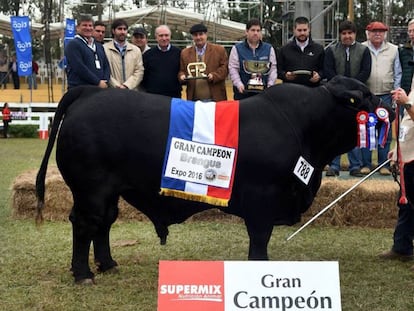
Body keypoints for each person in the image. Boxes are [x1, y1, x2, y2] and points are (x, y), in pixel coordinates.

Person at [324, 20, 372, 177]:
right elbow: (328, 71)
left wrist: (352, 87)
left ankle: (355, 166)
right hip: (335, 97)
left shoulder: (364, 51)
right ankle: (334, 165)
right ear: (340, 35)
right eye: (344, 33)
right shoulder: (331, 50)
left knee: (354, 131)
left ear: (355, 34)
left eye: (350, 33)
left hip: (357, 97)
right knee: (335, 131)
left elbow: (365, 72)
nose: (347, 36)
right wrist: (340, 88)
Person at [360, 21, 402, 176]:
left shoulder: (394, 50)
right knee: (366, 130)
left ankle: (383, 164)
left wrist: (395, 93)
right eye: (374, 31)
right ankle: (366, 164)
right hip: (368, 94)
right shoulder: (361, 48)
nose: (377, 34)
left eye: (381, 31)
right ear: (367, 33)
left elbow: (397, 72)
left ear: (385, 34)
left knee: (385, 130)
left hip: (386, 94)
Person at [378, 85, 414, 262]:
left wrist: (406, 103)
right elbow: (407, 124)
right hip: (409, 156)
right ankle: (402, 247)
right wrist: (397, 148)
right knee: (406, 205)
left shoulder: (409, 97)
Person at [228, 18, 277, 100]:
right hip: (242, 95)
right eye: (253, 30)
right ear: (246, 31)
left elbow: (273, 69)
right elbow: (233, 69)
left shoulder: (269, 48)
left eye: (258, 31)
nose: (255, 33)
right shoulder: (236, 49)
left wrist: (270, 86)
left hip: (264, 95)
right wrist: (239, 84)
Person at [178, 23, 228, 101]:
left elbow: (225, 69)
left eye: (201, 34)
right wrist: (182, 76)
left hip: (215, 98)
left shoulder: (219, 50)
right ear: (192, 37)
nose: (198, 37)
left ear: (206, 35)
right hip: (194, 100)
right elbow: (182, 70)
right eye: (195, 35)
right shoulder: (185, 53)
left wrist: (214, 76)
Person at [64, 14, 110, 89]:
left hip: (99, 90)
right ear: (77, 28)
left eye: (90, 25)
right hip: (80, 90)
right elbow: (80, 68)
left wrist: (105, 81)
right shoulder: (73, 45)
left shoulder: (99, 46)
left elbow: (106, 65)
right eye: (84, 25)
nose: (88, 28)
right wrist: (97, 82)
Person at [277, 16, 324, 87]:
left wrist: (319, 76)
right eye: (299, 30)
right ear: (294, 30)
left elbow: (324, 69)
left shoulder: (319, 49)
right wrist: (285, 75)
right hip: (290, 90)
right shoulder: (284, 50)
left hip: (312, 90)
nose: (302, 33)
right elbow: (278, 70)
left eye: (305, 30)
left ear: (309, 29)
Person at [141, 25, 182, 98]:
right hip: (153, 97)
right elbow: (144, 76)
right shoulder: (148, 55)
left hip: (174, 97)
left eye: (166, 35)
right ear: (156, 37)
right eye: (161, 35)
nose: (164, 38)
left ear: (170, 36)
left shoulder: (179, 53)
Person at [103, 19, 144, 90]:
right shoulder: (104, 49)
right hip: (112, 92)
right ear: (113, 31)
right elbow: (104, 71)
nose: (122, 32)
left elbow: (139, 71)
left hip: (131, 92)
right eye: (119, 29)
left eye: (125, 29)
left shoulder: (136, 50)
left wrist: (127, 85)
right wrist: (116, 85)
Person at [399, 19, 414, 95]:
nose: (411, 34)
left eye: (413, 31)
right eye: (410, 31)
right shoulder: (402, 50)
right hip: (406, 92)